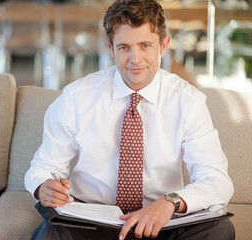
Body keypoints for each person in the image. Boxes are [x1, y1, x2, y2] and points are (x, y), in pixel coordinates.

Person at [25, 0, 235, 239]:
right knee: (52, 232)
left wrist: (171, 203)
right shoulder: (76, 97)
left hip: (160, 219)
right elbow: (44, 167)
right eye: (124, 47)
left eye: (145, 45)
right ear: (111, 48)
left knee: (220, 230)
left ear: (163, 46)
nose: (135, 59)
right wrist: (44, 186)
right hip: (93, 220)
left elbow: (217, 180)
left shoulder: (188, 101)